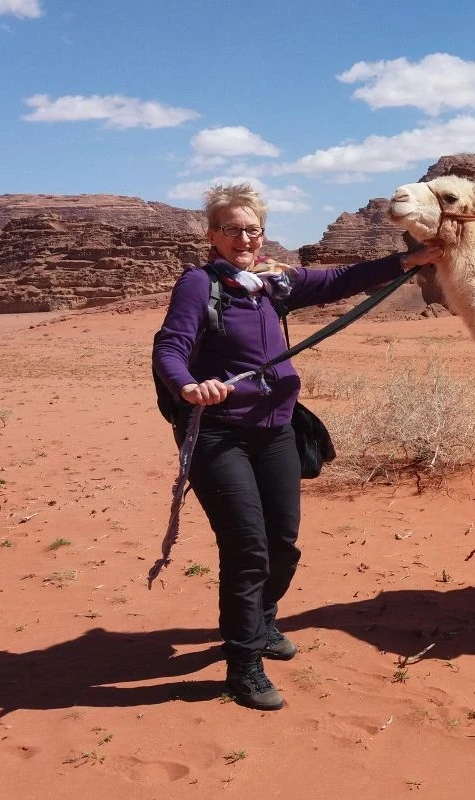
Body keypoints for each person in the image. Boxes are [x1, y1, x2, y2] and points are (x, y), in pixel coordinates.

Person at [152, 183, 441, 710]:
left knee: (282, 543)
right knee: (247, 550)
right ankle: (244, 666)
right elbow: (170, 345)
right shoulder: (199, 285)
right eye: (232, 229)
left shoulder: (271, 282)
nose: (243, 238)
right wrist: (188, 385)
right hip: (219, 433)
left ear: (263, 232)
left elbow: (339, 280)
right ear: (212, 234)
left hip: (277, 429)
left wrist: (411, 258)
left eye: (252, 228)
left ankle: (261, 622)